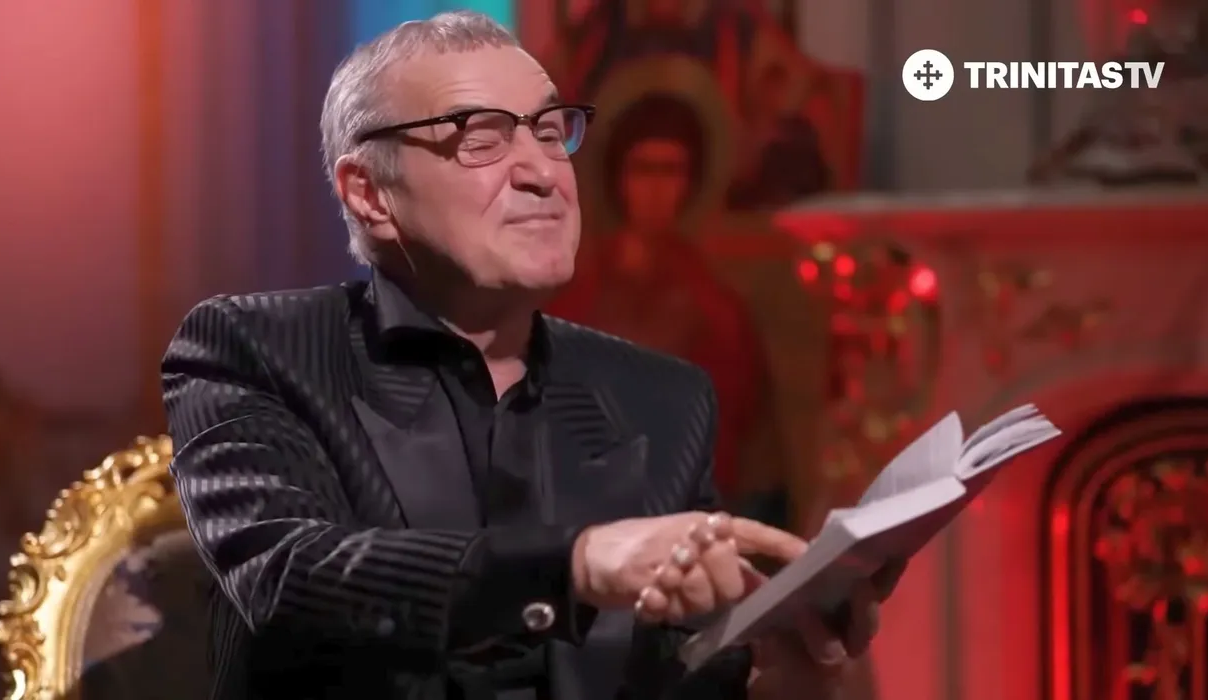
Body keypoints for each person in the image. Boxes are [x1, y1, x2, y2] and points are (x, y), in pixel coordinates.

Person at [162, 11, 903, 700]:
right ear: (370, 194)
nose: (543, 172)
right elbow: (289, 575)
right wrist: (576, 565)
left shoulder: (663, 399)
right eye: (482, 138)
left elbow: (668, 674)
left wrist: (771, 673)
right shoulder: (259, 350)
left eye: (551, 132)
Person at [545, 93, 792, 528]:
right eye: (643, 169)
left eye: (672, 171)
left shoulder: (717, 305)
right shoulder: (571, 288)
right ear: (618, 177)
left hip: (686, 512)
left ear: (692, 182)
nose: (656, 188)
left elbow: (740, 429)